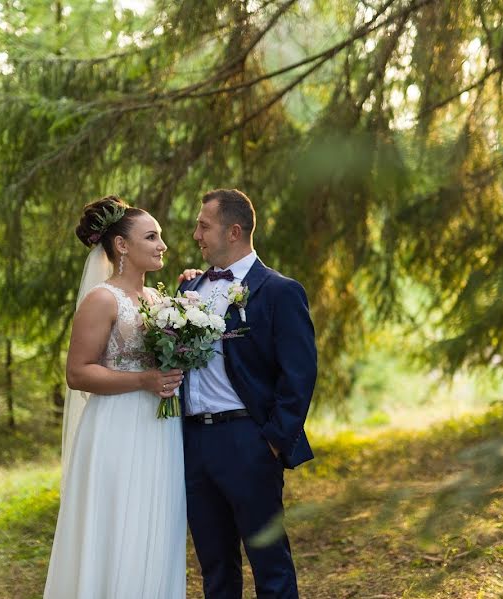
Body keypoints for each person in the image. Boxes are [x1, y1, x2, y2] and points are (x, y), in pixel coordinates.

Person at [44, 195, 187, 599]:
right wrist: (143, 380)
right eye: (151, 236)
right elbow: (77, 372)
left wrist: (190, 293)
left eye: (160, 236)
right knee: (118, 522)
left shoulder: (160, 301)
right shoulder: (103, 299)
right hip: (117, 428)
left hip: (161, 429)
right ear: (122, 245)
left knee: (155, 522)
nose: (162, 244)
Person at [179, 189, 318, 599]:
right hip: (195, 443)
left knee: (269, 562)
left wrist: (274, 441)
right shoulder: (191, 290)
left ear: (234, 231)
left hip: (249, 441)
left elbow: (300, 374)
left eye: (204, 226)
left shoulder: (278, 291)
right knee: (215, 566)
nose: (196, 235)